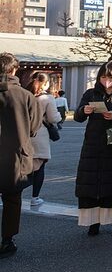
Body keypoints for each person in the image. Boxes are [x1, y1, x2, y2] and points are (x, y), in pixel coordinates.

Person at [74, 62, 112, 235]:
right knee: (90, 183)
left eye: (111, 77)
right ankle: (93, 222)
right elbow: (78, 116)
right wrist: (85, 110)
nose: (107, 81)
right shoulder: (91, 93)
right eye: (103, 77)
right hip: (92, 143)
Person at [0, 53, 42, 258]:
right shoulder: (26, 96)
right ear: (14, 70)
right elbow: (34, 128)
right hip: (16, 155)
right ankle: (7, 240)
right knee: (12, 198)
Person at [25, 72, 61, 207]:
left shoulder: (25, 94)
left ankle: (7, 190)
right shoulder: (47, 98)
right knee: (39, 166)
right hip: (40, 134)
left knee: (23, 165)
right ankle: (35, 197)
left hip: (24, 133)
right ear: (45, 83)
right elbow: (53, 118)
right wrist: (59, 117)